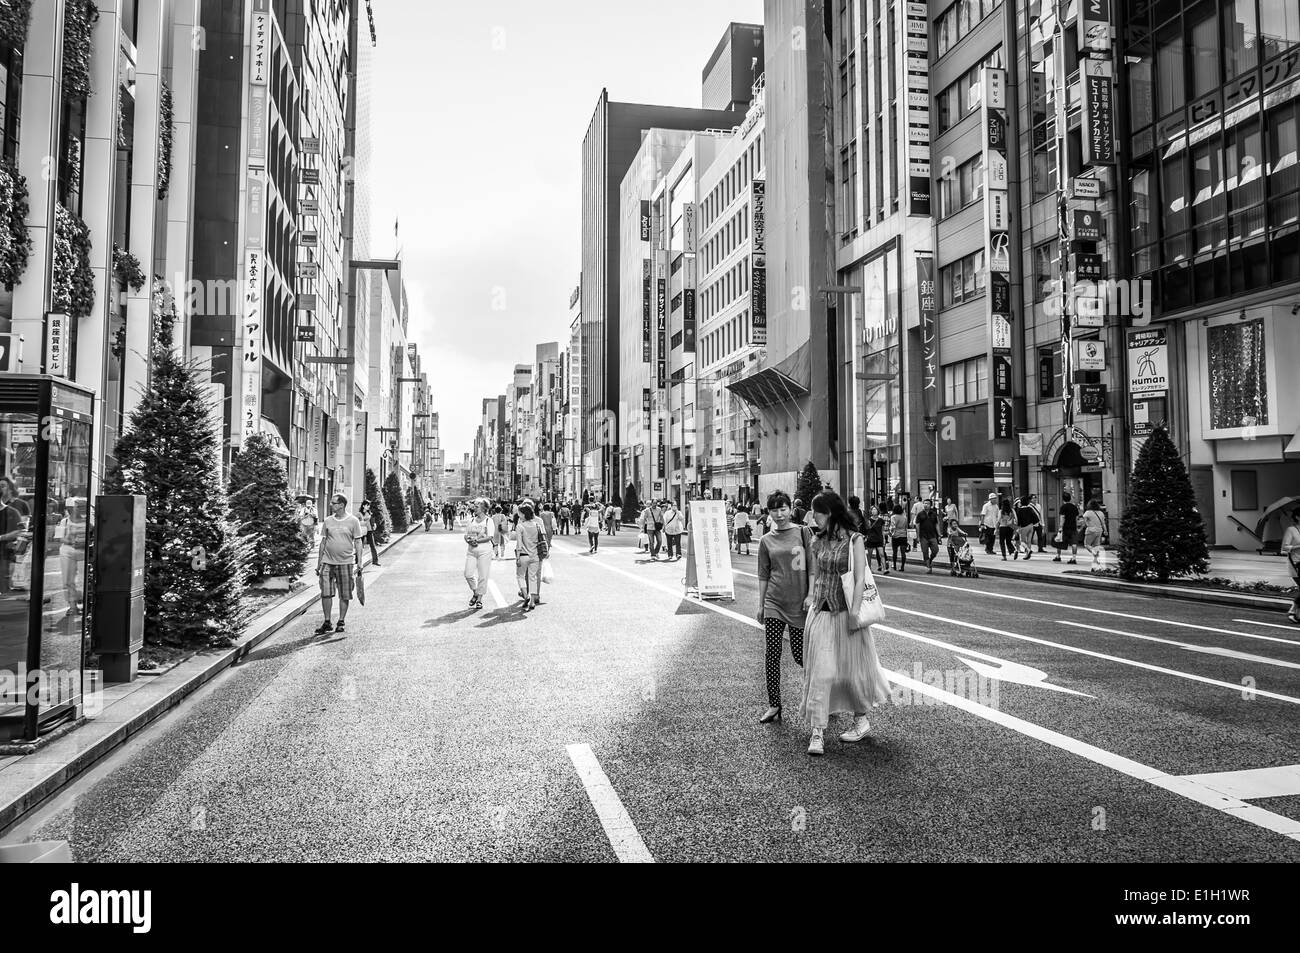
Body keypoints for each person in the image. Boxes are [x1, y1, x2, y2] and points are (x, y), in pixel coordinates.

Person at [800, 491, 892, 757]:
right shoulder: (817, 540)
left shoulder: (855, 540)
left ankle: (861, 720)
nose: (812, 517)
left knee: (855, 670)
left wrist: (854, 612)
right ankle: (817, 731)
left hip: (846, 615)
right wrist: (809, 596)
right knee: (821, 671)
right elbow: (815, 573)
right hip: (821, 612)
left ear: (829, 512)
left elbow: (861, 577)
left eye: (816, 512)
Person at [756, 491, 810, 724]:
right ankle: (774, 705)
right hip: (774, 602)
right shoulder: (765, 540)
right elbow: (763, 574)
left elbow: (814, 566)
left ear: (790, 509)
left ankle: (822, 697)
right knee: (772, 655)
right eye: (774, 510)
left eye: (783, 509)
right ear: (769, 512)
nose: (779, 514)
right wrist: (761, 605)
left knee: (801, 656)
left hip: (800, 603)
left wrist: (810, 595)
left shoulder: (803, 532)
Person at [315, 493, 364, 635]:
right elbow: (323, 542)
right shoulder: (328, 521)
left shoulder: (353, 521)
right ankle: (327, 621)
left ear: (341, 505)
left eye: (334, 503)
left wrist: (359, 562)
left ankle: (341, 621)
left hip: (345, 563)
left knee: (344, 594)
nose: (331, 505)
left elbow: (358, 541)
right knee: (325, 593)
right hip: (327, 562)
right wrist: (319, 563)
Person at [514, 501, 548, 612]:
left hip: (524, 554)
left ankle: (525, 595)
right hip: (535, 555)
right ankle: (533, 601)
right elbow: (542, 538)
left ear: (523, 514)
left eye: (519, 513)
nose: (518, 515)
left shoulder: (520, 526)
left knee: (520, 576)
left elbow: (519, 543)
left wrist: (518, 557)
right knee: (533, 577)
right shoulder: (537, 524)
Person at [463, 498, 495, 610]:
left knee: (483, 576)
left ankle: (479, 599)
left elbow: (490, 536)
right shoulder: (471, 520)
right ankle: (476, 592)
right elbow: (466, 535)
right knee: (468, 574)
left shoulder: (488, 521)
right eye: (475, 506)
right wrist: (468, 540)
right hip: (471, 551)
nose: (474, 508)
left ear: (483, 508)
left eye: (477, 506)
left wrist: (477, 541)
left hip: (485, 551)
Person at [1281, 508, 1300, 624]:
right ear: (1297, 517)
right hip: (1296, 564)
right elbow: (1284, 548)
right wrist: (1298, 547)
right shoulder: (1291, 530)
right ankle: (1293, 612)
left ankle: (1296, 614)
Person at [1053, 492, 1081, 564]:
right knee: (1074, 543)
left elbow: (1062, 517)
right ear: (1070, 498)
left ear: (1063, 499)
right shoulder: (1074, 507)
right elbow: (1077, 518)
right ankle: (1074, 558)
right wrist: (1077, 526)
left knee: (1059, 541)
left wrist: (1060, 527)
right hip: (1073, 527)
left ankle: (1058, 556)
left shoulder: (1063, 507)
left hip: (1065, 527)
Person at [916, 499, 942, 574]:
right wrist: (917, 536)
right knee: (925, 552)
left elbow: (937, 524)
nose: (925, 505)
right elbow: (917, 526)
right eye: (924, 503)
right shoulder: (920, 514)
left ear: (930, 505)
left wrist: (939, 534)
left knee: (935, 550)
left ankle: (930, 560)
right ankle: (928, 567)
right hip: (923, 536)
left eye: (927, 503)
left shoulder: (934, 514)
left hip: (933, 535)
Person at [1080, 499, 1107, 566]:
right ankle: (1096, 560)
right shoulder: (1101, 513)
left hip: (1091, 530)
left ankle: (1094, 553)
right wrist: (1105, 531)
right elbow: (1103, 523)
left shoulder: (1088, 512)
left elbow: (1084, 522)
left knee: (1087, 545)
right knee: (1096, 545)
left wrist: (1081, 528)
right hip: (1099, 530)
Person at [864, 504, 889, 575]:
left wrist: (884, 539)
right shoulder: (869, 520)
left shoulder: (881, 520)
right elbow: (867, 530)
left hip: (879, 539)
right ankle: (869, 569)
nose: (874, 511)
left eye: (875, 509)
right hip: (871, 539)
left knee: (882, 554)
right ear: (871, 512)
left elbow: (882, 531)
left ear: (878, 511)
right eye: (872, 510)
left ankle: (884, 569)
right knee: (869, 555)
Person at [1014, 494, 1039, 559]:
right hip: (1031, 526)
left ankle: (1028, 550)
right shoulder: (1030, 508)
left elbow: (1018, 520)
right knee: (1029, 541)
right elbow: (1036, 518)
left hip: (1023, 527)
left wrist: (1018, 527)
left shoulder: (1019, 510)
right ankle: (1027, 555)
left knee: (1022, 541)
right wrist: (1033, 523)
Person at [358, 500, 381, 566]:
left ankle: (375, 561)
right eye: (367, 505)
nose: (368, 506)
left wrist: (374, 524)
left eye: (369, 505)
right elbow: (356, 522)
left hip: (369, 531)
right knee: (360, 546)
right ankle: (357, 560)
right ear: (363, 506)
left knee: (373, 546)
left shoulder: (370, 513)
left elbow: (372, 521)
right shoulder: (359, 514)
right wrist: (363, 520)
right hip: (362, 531)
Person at [888, 503, 909, 572]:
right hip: (903, 535)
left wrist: (890, 533)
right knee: (903, 552)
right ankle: (902, 566)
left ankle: (894, 565)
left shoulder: (893, 517)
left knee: (895, 551)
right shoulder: (904, 517)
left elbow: (893, 526)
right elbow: (906, 527)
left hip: (895, 536)